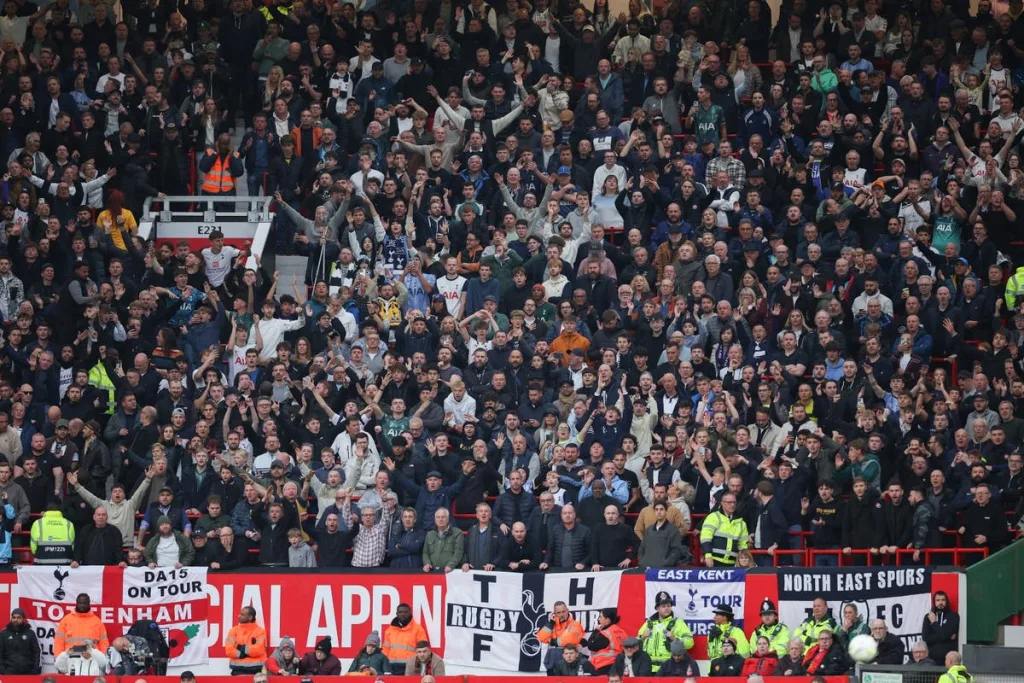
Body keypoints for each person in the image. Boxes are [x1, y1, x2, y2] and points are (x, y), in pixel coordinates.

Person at [638, 590, 695, 672]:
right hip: (648, 669)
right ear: (657, 608)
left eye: (668, 606)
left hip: (669, 668)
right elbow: (635, 644)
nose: (667, 608)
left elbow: (690, 643)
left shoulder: (678, 623)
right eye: (663, 606)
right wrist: (642, 637)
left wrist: (675, 638)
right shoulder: (649, 623)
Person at [700, 493, 749, 566]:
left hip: (732, 563)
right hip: (714, 561)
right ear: (722, 503)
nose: (732, 505)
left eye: (734, 502)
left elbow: (742, 545)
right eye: (729, 502)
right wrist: (708, 555)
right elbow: (706, 538)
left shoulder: (741, 523)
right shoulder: (713, 517)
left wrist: (742, 560)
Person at [537, 601, 585, 670]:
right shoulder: (551, 624)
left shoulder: (575, 624)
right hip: (552, 662)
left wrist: (553, 641)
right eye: (558, 613)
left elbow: (570, 640)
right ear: (554, 614)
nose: (561, 614)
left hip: (568, 661)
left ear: (567, 611)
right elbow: (541, 637)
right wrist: (550, 624)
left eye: (563, 611)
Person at [382, 603, 428, 674]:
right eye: (400, 612)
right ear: (397, 614)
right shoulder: (389, 630)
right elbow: (385, 650)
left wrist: (419, 665)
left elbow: (423, 649)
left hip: (410, 666)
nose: (403, 614)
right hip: (392, 667)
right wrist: (384, 665)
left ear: (410, 613)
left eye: (405, 612)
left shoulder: (418, 629)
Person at [225, 606, 268, 676]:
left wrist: (239, 647)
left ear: (250, 617)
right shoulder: (233, 630)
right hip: (237, 670)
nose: (239, 616)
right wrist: (241, 654)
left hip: (256, 671)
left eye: (242, 614)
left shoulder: (260, 631)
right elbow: (229, 650)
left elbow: (259, 650)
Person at [584, 608, 627, 675]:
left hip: (603, 665)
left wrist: (596, 631)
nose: (599, 619)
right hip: (619, 664)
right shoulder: (622, 632)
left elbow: (591, 646)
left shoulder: (605, 633)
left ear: (607, 620)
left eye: (601, 617)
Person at [923, 591, 960, 664]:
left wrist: (934, 623)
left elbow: (944, 635)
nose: (940, 602)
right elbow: (926, 637)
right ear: (934, 602)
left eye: (943, 600)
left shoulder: (953, 616)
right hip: (931, 660)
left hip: (949, 661)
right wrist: (946, 637)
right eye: (938, 600)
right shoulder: (928, 617)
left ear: (946, 602)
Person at [0, 608, 40, 674]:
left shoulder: (31, 633)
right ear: (11, 618)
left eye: (19, 618)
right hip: (8, 674)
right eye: (14, 617)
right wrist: (3, 671)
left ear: (24, 619)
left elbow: (37, 652)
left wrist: (34, 671)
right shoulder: (3, 634)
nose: (16, 620)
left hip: (27, 674)